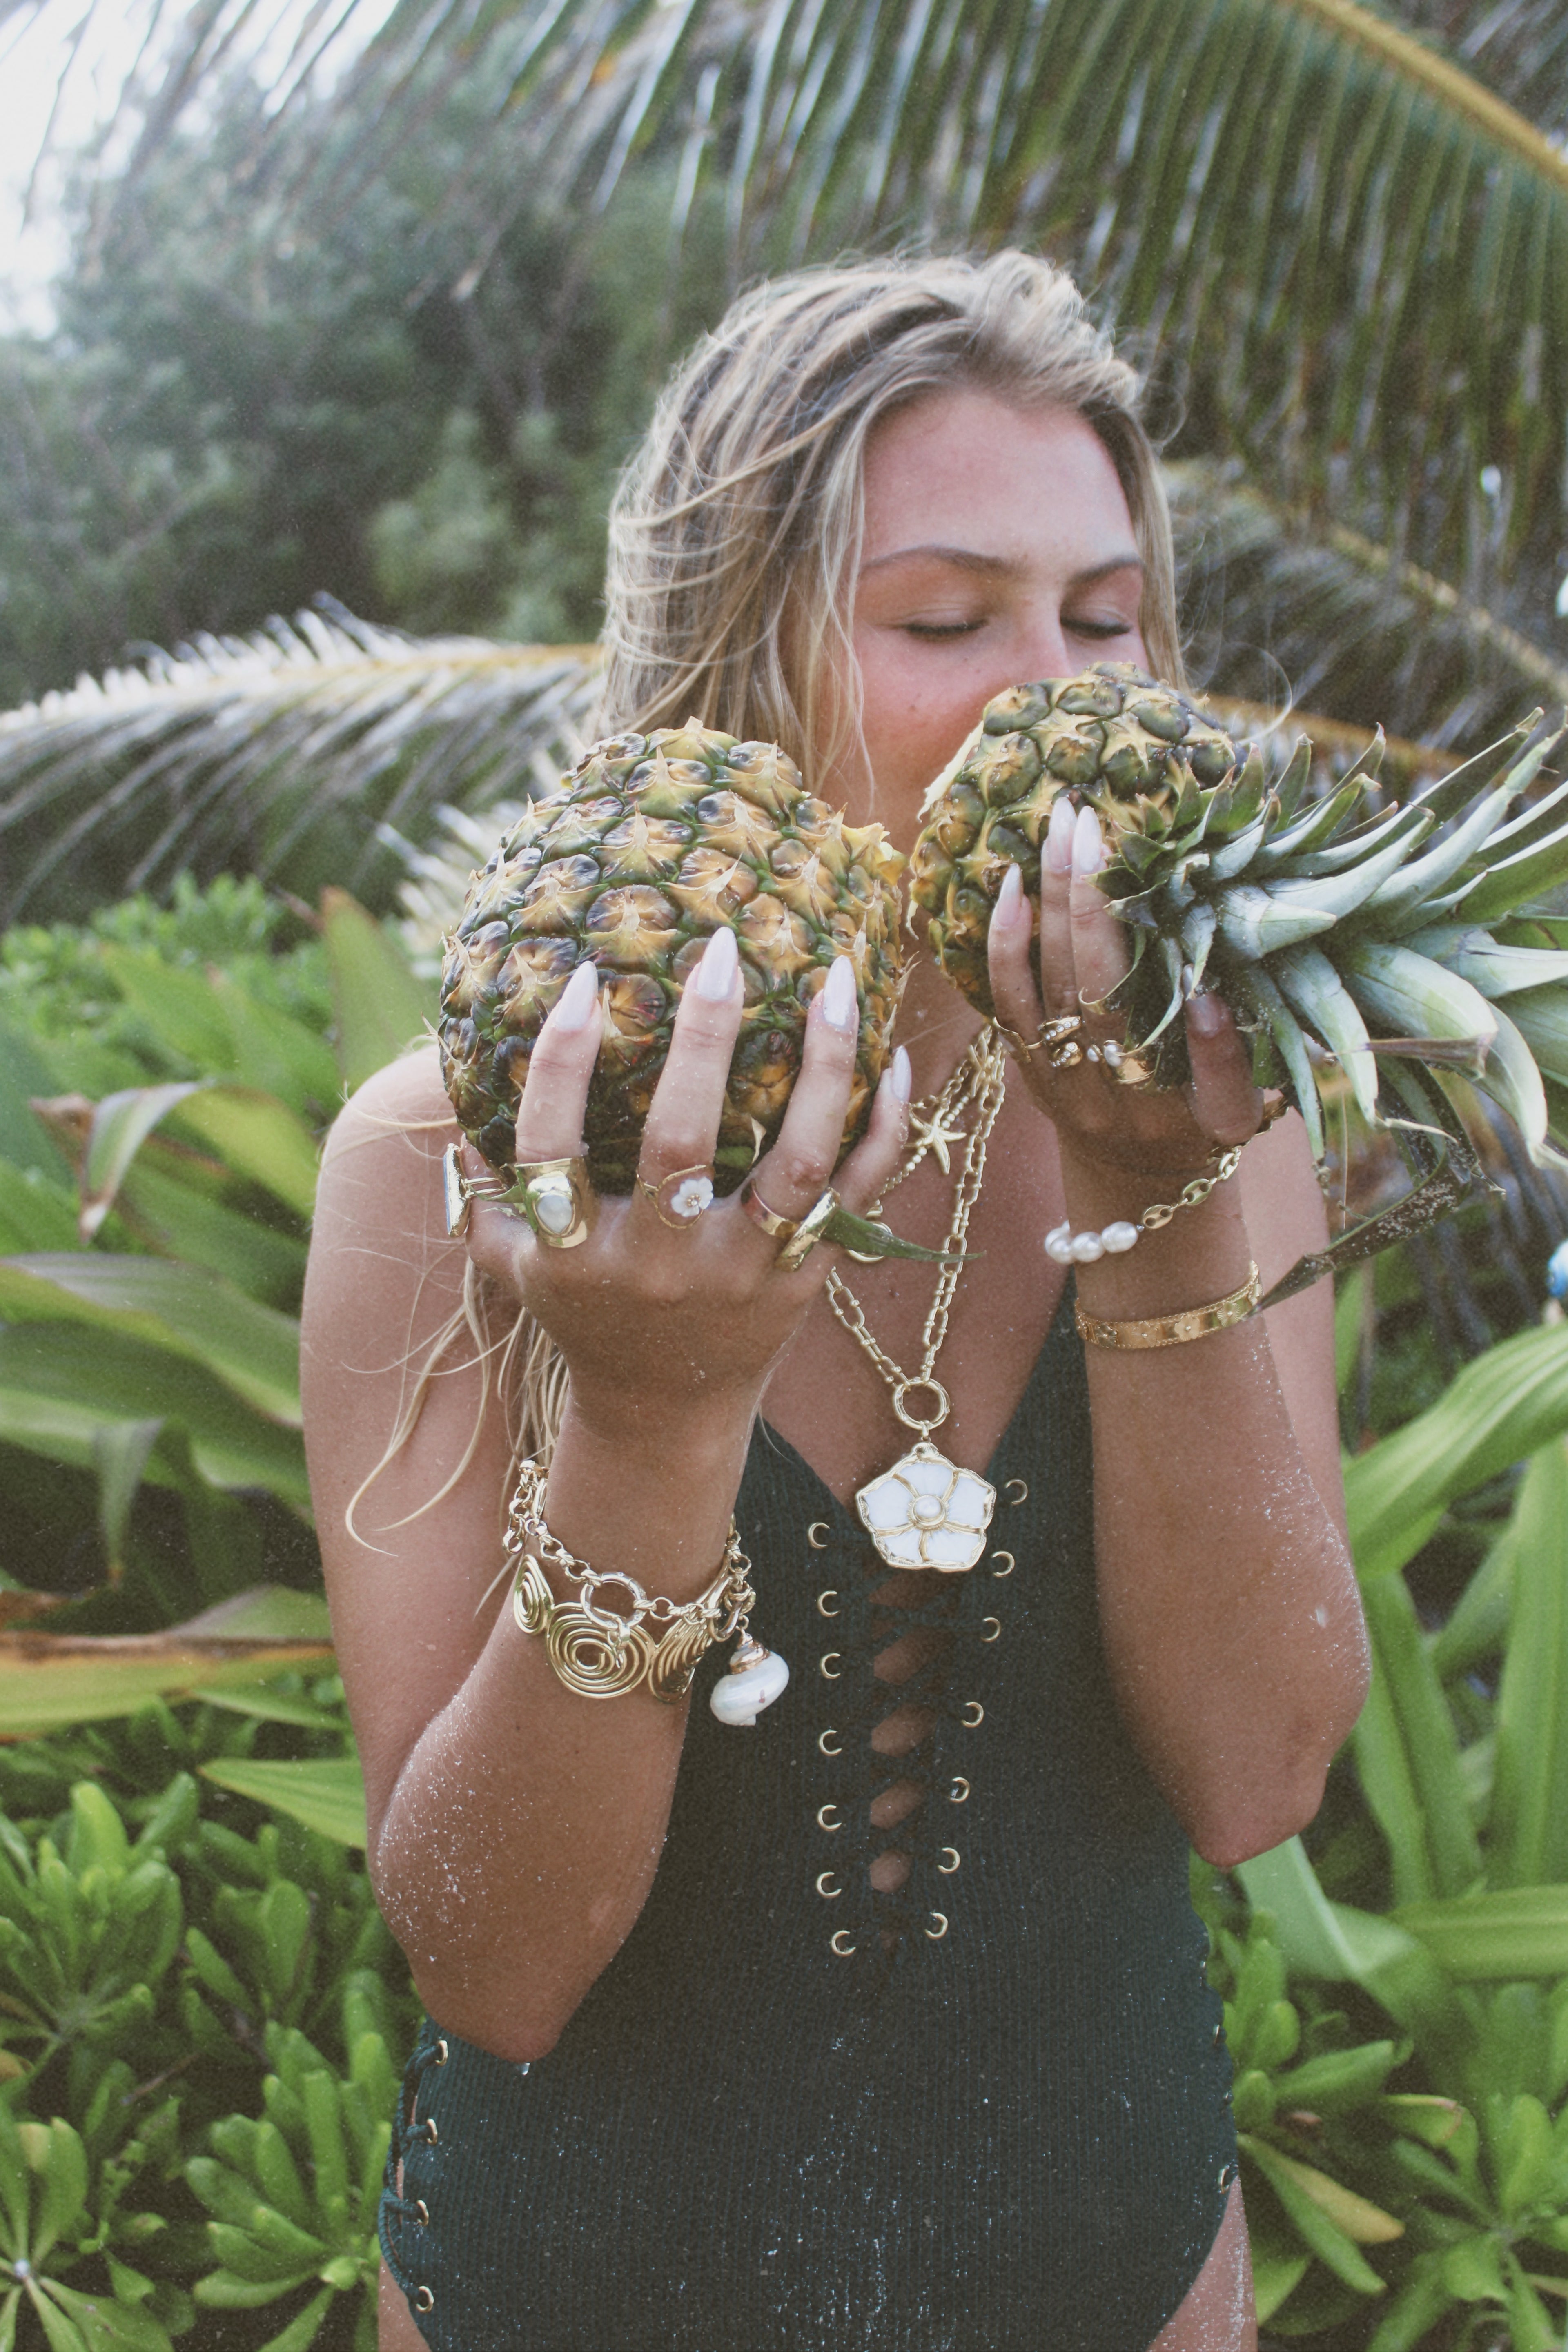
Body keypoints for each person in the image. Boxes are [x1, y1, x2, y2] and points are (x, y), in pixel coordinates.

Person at [301, 250, 1370, 2352]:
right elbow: (494, 1965)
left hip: (1129, 2293)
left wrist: (1160, 1207)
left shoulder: (1226, 1109)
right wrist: (650, 1420)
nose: (1058, 692)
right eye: (946, 619)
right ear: (731, 655)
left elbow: (1256, 1781)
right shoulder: (452, 1158)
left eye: (1104, 616)